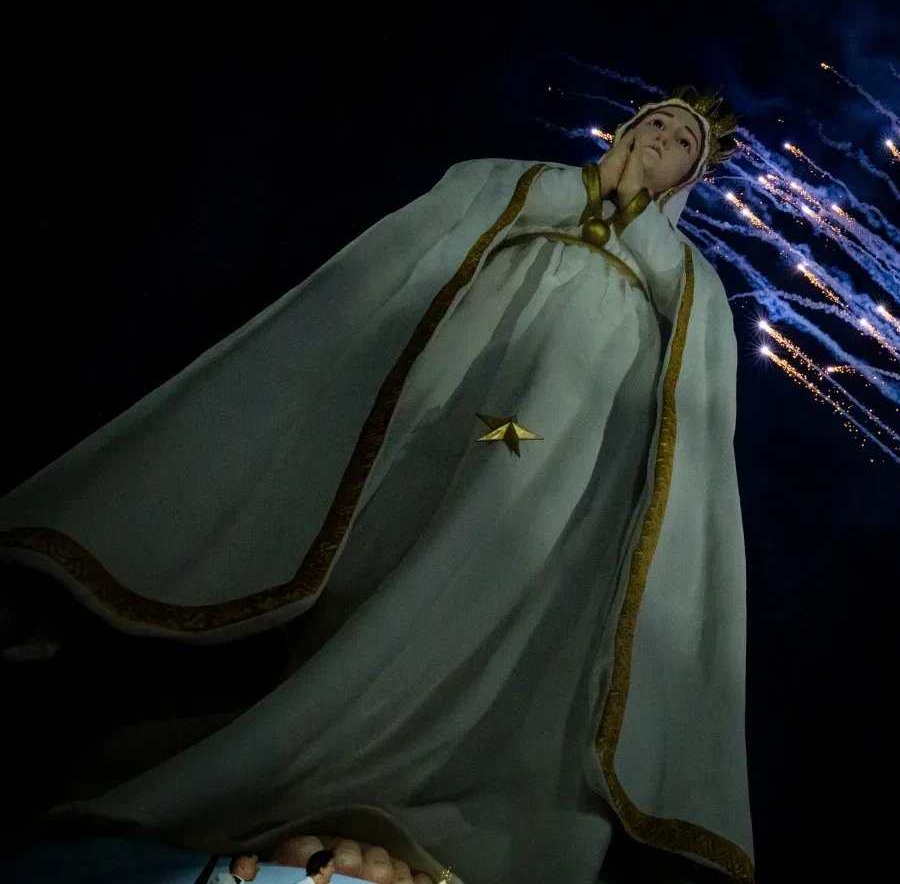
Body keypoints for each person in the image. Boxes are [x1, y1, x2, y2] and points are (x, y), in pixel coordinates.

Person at [2, 90, 753, 883]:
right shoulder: (529, 187)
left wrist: (630, 218)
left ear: (690, 178)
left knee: (506, 583)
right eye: (652, 124)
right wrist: (588, 189)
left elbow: (690, 347)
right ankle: (284, 760)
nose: (660, 138)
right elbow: (464, 206)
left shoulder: (681, 272)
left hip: (574, 443)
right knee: (385, 549)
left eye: (680, 142)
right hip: (459, 393)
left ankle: (428, 797)